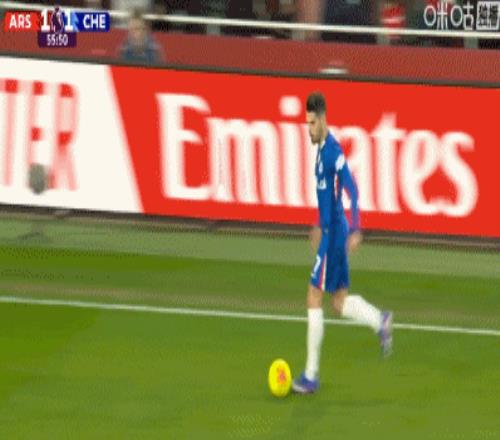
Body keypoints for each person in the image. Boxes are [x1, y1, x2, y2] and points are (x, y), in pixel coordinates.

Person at [292, 92, 393, 394]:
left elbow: (352, 189)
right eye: (307, 124)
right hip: (331, 230)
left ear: (322, 119)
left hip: (336, 235)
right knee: (337, 302)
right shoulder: (322, 149)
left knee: (313, 296)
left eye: (312, 123)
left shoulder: (332, 152)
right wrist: (317, 221)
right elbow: (328, 196)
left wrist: (356, 228)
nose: (309, 129)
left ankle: (311, 375)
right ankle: (380, 320)